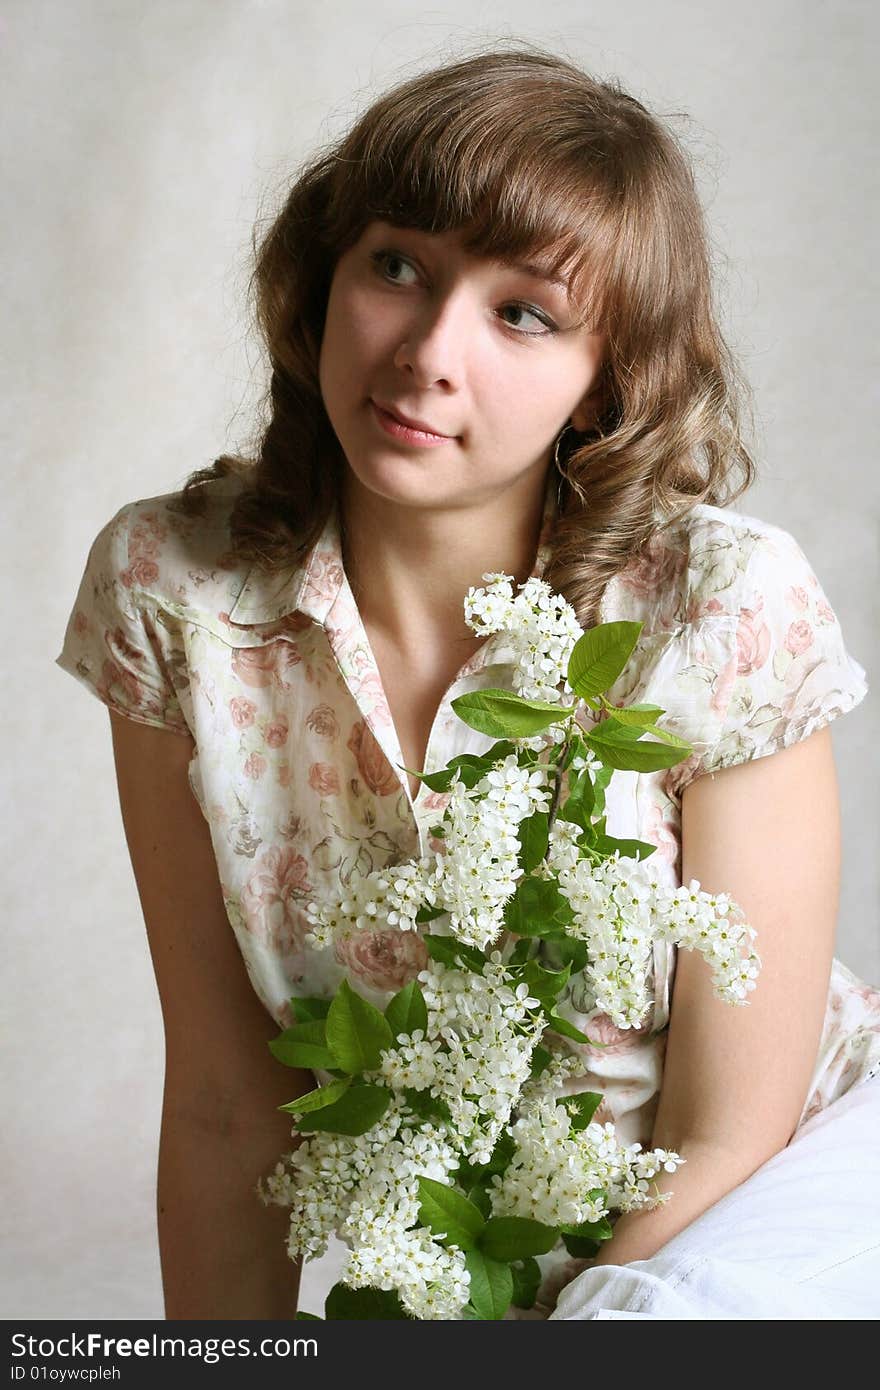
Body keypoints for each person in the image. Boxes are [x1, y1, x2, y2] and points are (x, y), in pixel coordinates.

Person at [56, 47, 880, 1321]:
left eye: (524, 313)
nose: (430, 351)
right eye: (398, 265)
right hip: (484, 1276)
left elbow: (732, 1132)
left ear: (605, 375)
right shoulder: (177, 591)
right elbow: (226, 1103)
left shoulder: (715, 604)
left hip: (786, 1194)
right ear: (322, 276)